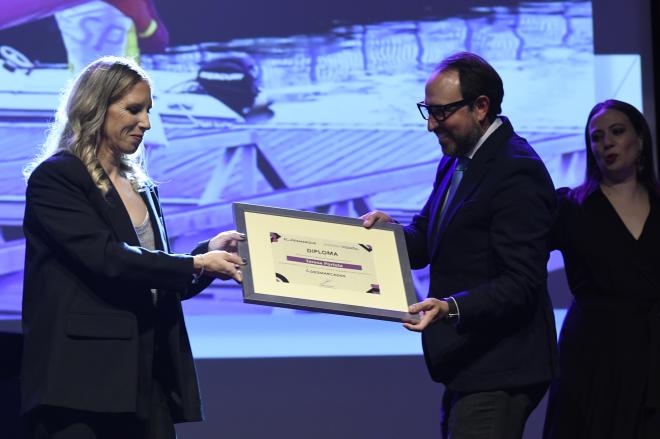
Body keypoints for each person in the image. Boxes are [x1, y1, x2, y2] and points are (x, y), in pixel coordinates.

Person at [20, 56, 245, 438]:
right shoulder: (57, 178)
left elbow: (155, 278)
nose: (146, 123)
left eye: (148, 110)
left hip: (146, 378)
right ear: (96, 107)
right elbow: (105, 258)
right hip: (84, 384)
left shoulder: (141, 185)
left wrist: (205, 256)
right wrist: (194, 264)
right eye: (134, 110)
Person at [361, 52, 557, 438]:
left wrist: (452, 308)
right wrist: (392, 236)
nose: (431, 125)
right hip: (470, 365)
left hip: (501, 367)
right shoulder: (457, 160)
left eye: (441, 112)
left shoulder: (517, 170)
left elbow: (521, 282)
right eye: (427, 111)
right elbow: (427, 239)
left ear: (480, 106)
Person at [543, 100, 660, 439]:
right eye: (596, 137)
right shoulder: (570, 206)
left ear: (639, 141)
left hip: (652, 354)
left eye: (617, 132)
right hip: (592, 355)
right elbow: (517, 251)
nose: (605, 142)